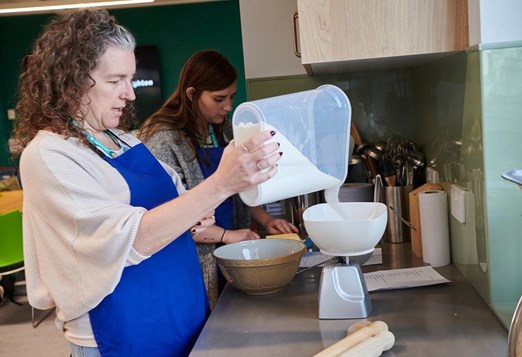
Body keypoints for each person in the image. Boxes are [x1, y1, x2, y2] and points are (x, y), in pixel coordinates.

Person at [13, 9, 282, 357]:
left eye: (131, 78)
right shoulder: (48, 155)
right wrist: (220, 184)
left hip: (182, 309)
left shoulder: (124, 140)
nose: (130, 94)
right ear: (72, 81)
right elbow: (129, 237)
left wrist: (195, 212)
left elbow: (179, 201)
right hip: (121, 329)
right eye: (116, 81)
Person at [138, 50, 298, 307]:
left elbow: (236, 189)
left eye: (231, 97)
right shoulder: (160, 140)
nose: (228, 106)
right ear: (191, 94)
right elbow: (167, 218)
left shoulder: (222, 129)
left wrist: (266, 220)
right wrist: (225, 235)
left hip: (233, 251)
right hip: (195, 264)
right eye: (219, 98)